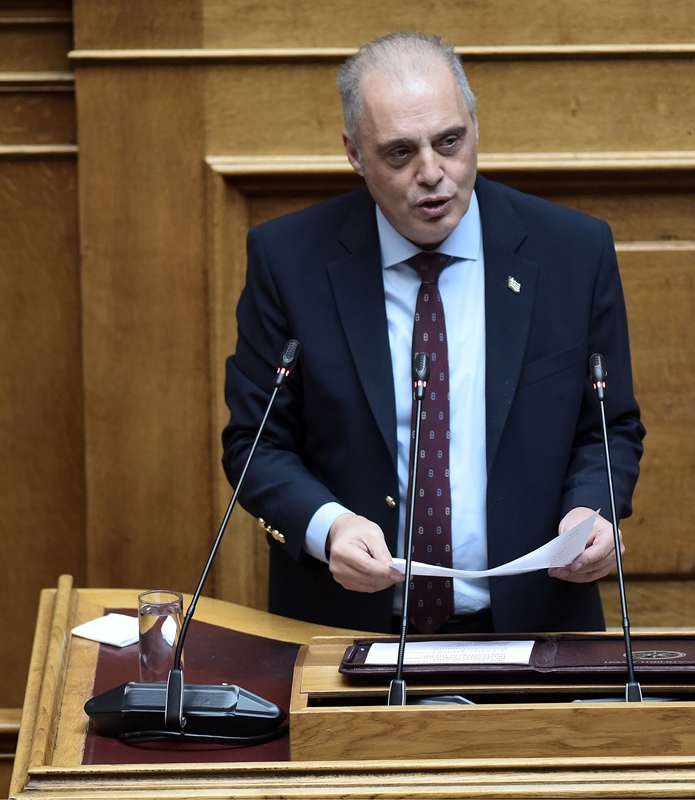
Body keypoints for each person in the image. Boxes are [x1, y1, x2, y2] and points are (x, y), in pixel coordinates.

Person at [221, 31, 644, 635]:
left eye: (450, 142)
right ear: (354, 153)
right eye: (399, 153)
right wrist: (328, 526)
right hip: (348, 630)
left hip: (535, 626)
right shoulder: (289, 261)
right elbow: (256, 443)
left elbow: (609, 426)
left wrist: (590, 509)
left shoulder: (572, 252)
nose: (432, 173)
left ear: (475, 127)